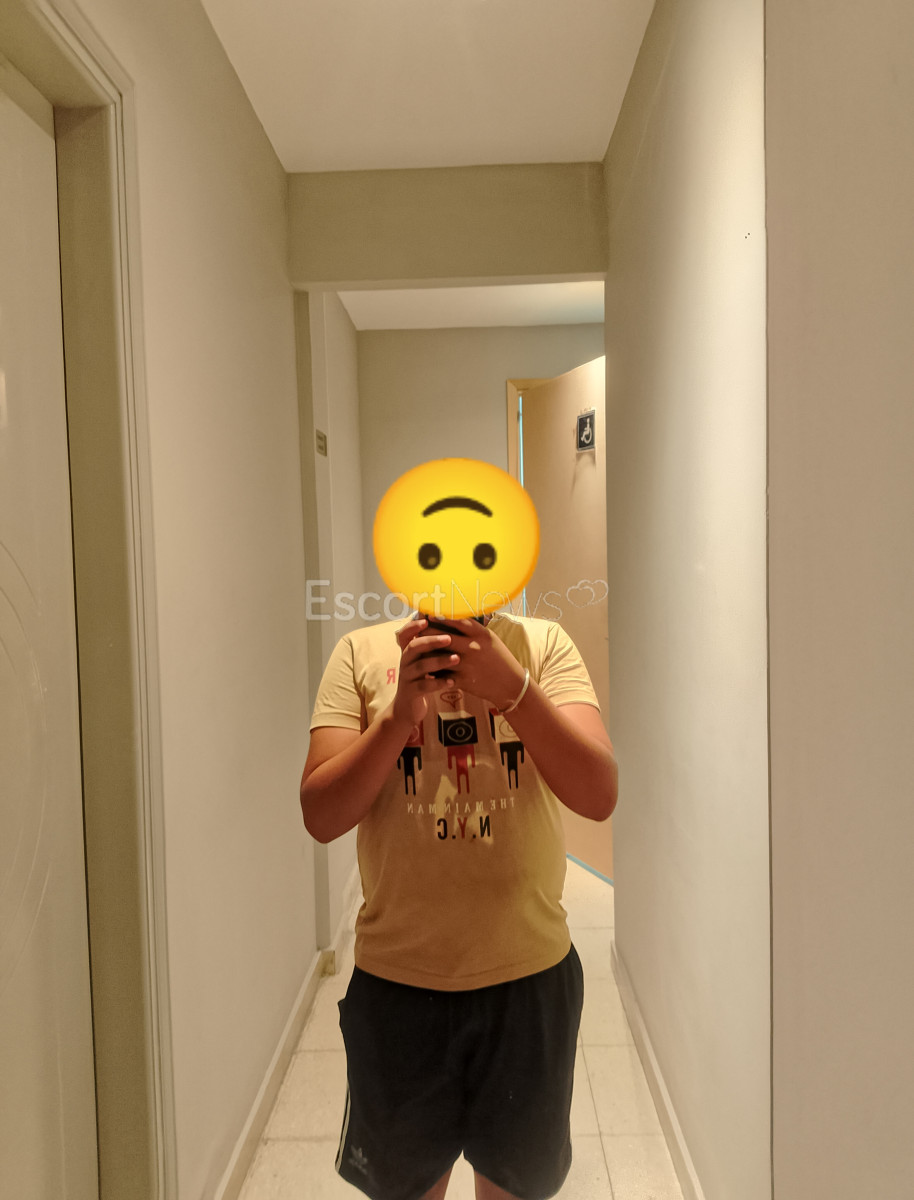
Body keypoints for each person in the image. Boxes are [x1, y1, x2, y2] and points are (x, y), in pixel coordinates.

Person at [300, 609, 618, 1200]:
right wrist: (397, 718)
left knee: (516, 1186)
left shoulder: (543, 643)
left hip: (528, 977)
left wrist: (513, 688)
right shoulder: (360, 651)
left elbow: (599, 794)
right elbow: (321, 815)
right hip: (398, 982)